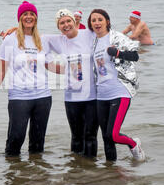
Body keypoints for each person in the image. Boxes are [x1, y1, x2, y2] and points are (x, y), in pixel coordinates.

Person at [0, 1, 59, 157]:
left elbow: (51, 66)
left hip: (43, 97)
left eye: (32, 14)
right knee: (15, 139)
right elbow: (2, 69)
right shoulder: (10, 39)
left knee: (38, 143)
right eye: (25, 14)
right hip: (19, 97)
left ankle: (36, 175)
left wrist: (72, 68)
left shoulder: (42, 40)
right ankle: (14, 175)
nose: (29, 17)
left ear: (36, 18)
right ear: (20, 18)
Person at [88, 9, 146, 162]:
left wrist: (118, 53)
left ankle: (134, 144)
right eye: (93, 20)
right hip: (101, 95)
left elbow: (135, 55)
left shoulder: (116, 37)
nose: (96, 23)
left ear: (107, 21)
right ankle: (110, 170)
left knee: (113, 135)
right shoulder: (93, 42)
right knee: (106, 138)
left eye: (100, 19)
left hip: (120, 91)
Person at [45, 9, 99, 157]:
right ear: (58, 27)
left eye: (68, 21)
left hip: (92, 97)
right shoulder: (59, 40)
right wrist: (15, 30)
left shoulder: (88, 34)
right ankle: (76, 171)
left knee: (90, 136)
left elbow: (107, 35)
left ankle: (90, 169)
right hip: (71, 97)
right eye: (62, 23)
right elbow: (33, 36)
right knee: (76, 136)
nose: (66, 24)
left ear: (75, 22)